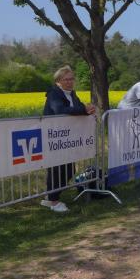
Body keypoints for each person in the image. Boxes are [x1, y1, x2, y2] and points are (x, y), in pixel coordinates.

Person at [40, 65, 96, 212]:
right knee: (57, 170)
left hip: (67, 139)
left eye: (72, 79)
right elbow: (60, 110)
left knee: (69, 170)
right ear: (58, 81)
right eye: (67, 79)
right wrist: (82, 110)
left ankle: (51, 197)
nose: (70, 82)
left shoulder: (72, 94)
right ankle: (53, 201)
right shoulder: (54, 93)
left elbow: (78, 108)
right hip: (55, 137)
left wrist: (87, 110)